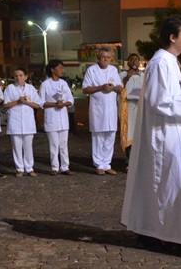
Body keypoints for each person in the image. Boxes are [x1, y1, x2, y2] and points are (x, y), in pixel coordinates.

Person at [121, 15, 181, 251]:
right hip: (164, 134)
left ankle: (164, 233)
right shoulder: (160, 63)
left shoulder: (170, 62)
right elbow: (158, 101)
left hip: (175, 131)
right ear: (172, 37)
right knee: (168, 184)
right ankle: (167, 235)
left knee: (173, 182)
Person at [83, 46, 122, 175]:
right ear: (98, 58)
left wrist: (113, 88)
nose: (106, 59)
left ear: (111, 59)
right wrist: (101, 87)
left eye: (108, 57)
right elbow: (85, 89)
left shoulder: (113, 70)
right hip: (98, 109)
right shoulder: (91, 70)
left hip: (111, 109)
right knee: (98, 137)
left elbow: (120, 88)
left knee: (110, 136)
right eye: (103, 57)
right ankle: (99, 164)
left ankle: (107, 164)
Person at [2, 68, 41, 177]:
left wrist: (26, 102)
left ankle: (29, 168)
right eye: (16, 76)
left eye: (20, 75)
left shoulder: (31, 88)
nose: (18, 78)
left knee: (28, 146)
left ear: (26, 77)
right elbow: (6, 104)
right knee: (17, 146)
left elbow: (37, 105)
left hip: (28, 121)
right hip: (15, 120)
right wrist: (18, 101)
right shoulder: (10, 88)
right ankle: (19, 168)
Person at [39, 60, 74, 175]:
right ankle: (55, 167)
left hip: (63, 118)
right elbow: (41, 102)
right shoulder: (45, 84)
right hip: (51, 118)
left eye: (62, 68)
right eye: (59, 68)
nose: (62, 70)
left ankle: (65, 167)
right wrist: (55, 104)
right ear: (52, 70)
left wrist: (64, 104)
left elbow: (70, 99)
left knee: (64, 144)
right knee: (54, 144)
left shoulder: (63, 83)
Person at [119, 54, 142, 167]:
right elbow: (119, 88)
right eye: (131, 60)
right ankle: (129, 161)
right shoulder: (122, 75)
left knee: (139, 133)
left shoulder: (143, 75)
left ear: (139, 62)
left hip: (140, 108)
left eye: (136, 60)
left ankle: (139, 161)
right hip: (128, 109)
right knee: (129, 134)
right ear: (128, 62)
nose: (134, 62)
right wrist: (128, 77)